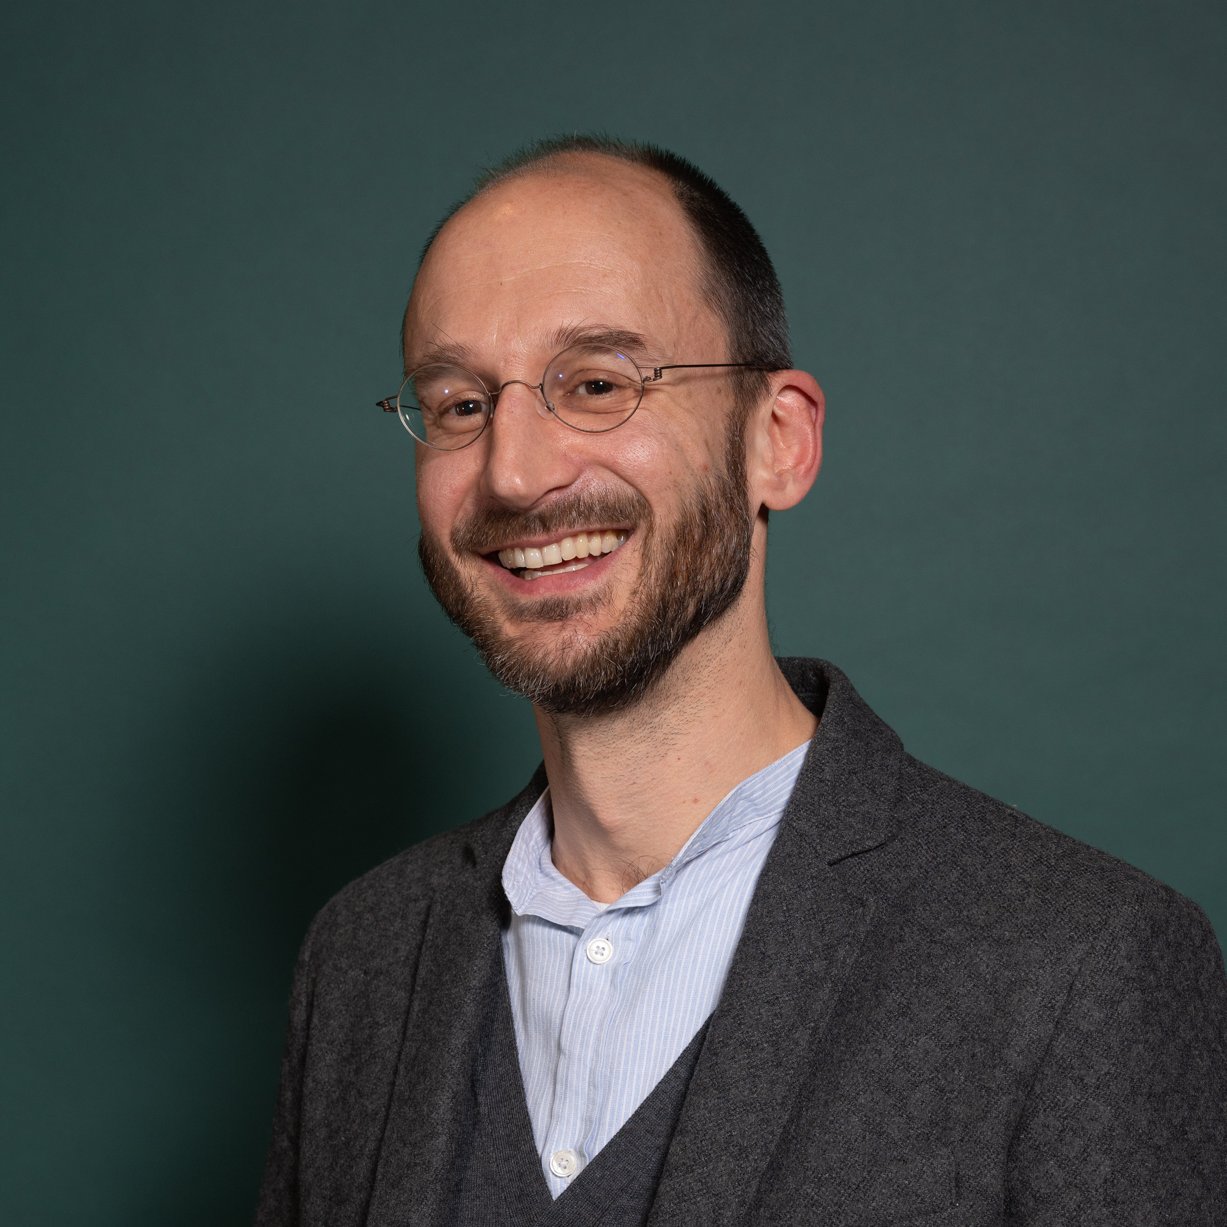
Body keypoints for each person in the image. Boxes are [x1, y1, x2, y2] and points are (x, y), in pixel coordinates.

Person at [255, 137, 1226, 1226]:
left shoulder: (1078, 962)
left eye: (597, 384)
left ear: (778, 441)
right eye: (459, 405)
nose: (515, 473)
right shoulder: (364, 955)